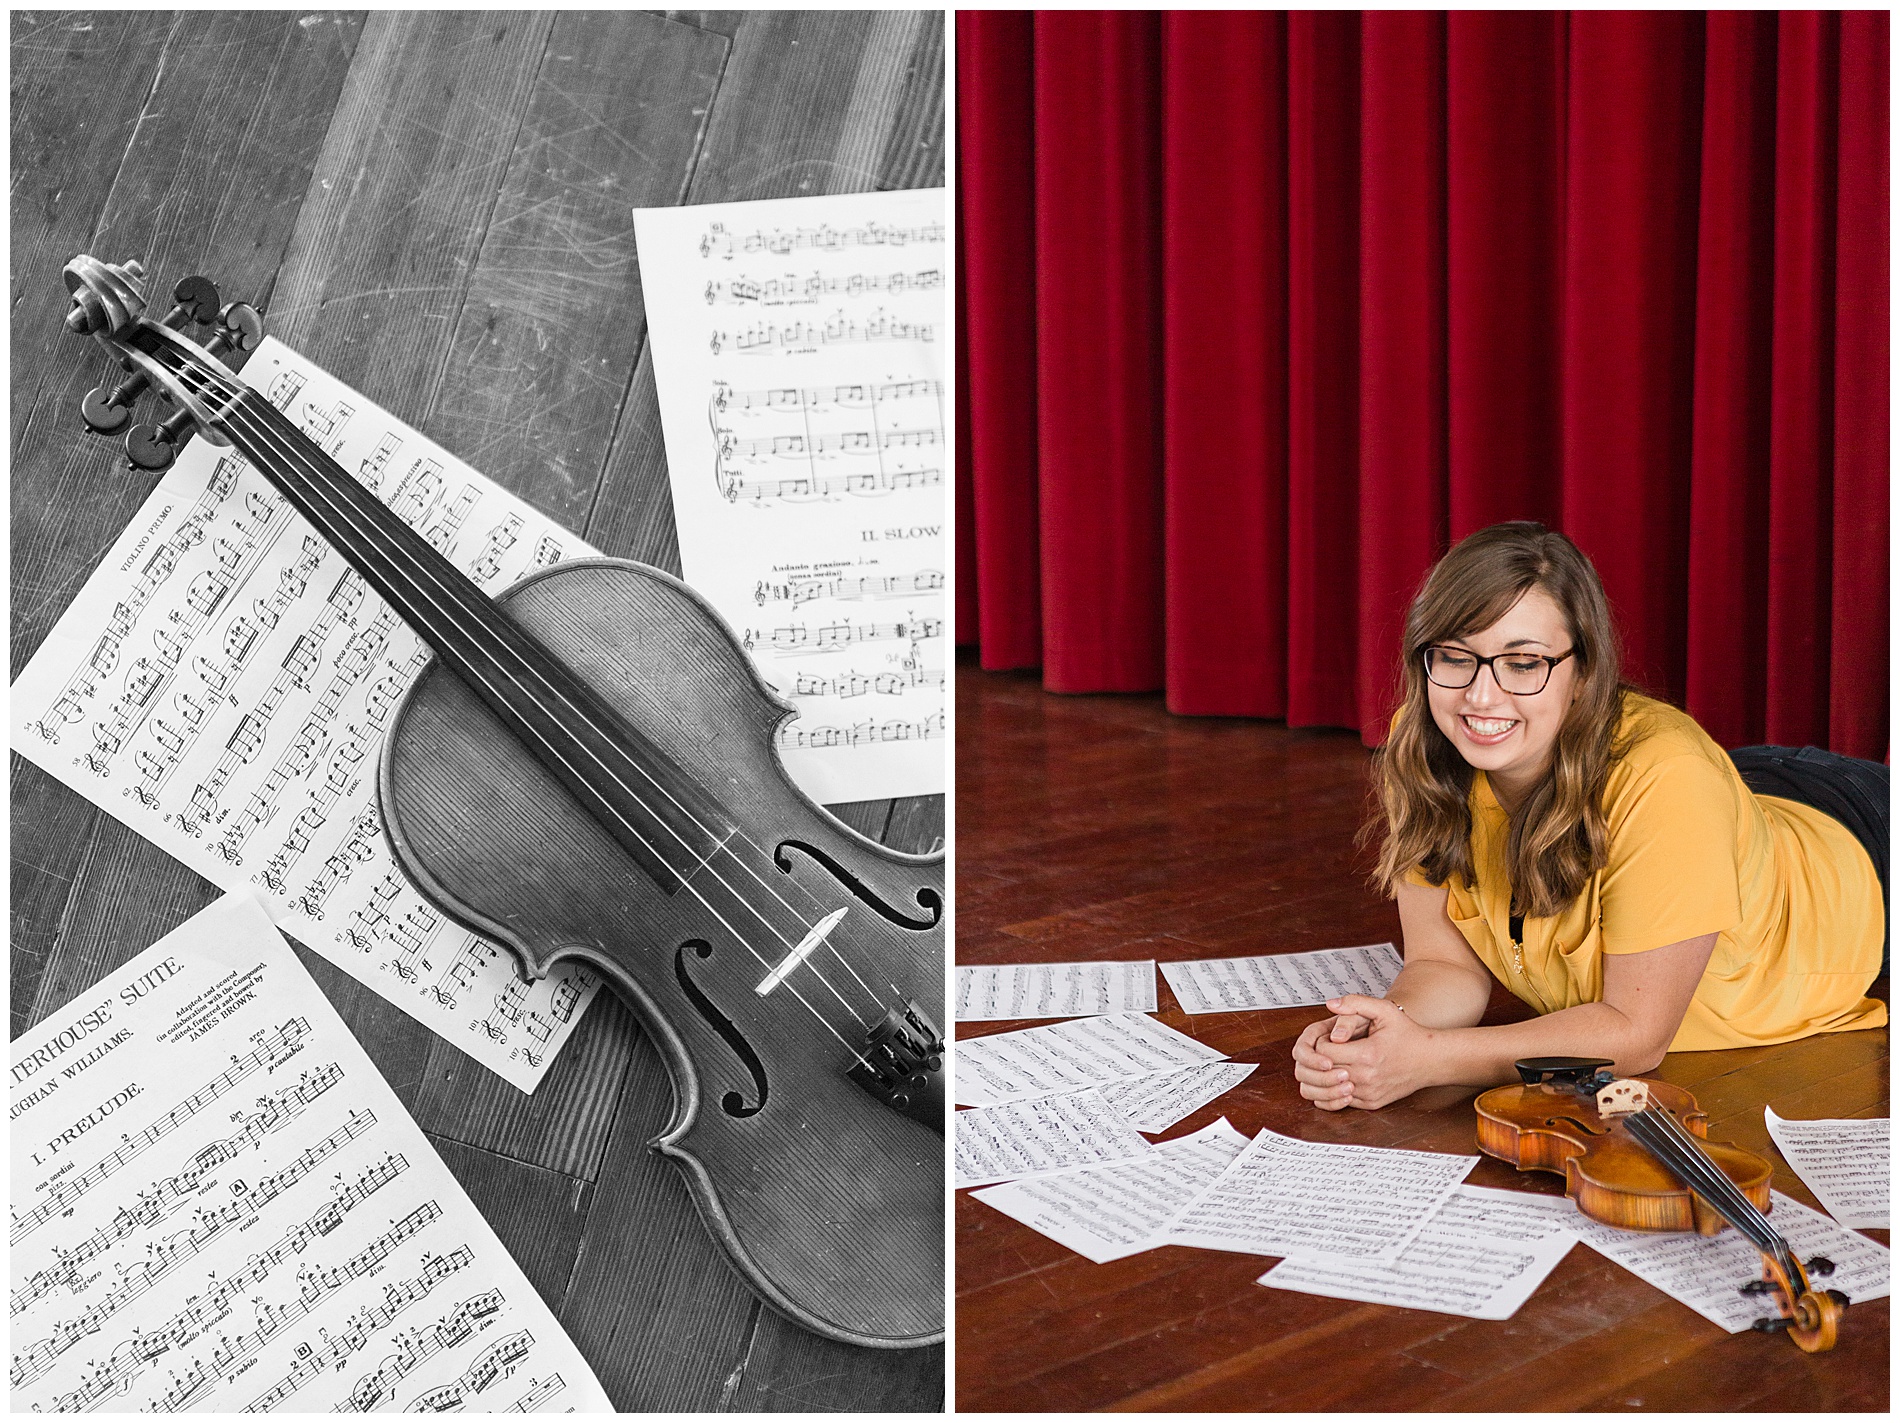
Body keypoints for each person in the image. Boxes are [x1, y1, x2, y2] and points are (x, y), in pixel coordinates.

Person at [1293, 522, 1888, 1111]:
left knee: (1679, 785)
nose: (1480, 696)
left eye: (1523, 663)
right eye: (1455, 657)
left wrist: (1432, 1060)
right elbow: (1441, 963)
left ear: (1583, 673)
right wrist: (1381, 1035)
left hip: (1857, 841)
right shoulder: (1423, 745)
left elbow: (1636, 1033)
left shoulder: (1671, 778)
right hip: (1722, 797)